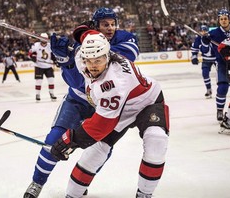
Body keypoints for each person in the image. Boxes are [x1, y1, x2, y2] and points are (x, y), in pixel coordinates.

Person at [24, 7, 139, 198]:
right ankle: (36, 183)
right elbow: (77, 81)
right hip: (77, 100)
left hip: (106, 104)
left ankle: (80, 182)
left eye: (113, 24)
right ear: (96, 25)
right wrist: (65, 60)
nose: (110, 28)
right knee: (53, 140)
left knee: (100, 151)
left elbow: (124, 58)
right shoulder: (79, 43)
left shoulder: (125, 39)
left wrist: (81, 49)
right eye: (105, 24)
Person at [50, 31, 170, 198]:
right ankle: (72, 195)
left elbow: (101, 125)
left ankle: (144, 194)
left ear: (108, 57)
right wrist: (79, 34)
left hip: (146, 102)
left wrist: (69, 140)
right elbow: (90, 35)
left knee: (156, 140)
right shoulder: (83, 56)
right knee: (95, 152)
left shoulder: (113, 82)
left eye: (98, 60)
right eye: (89, 60)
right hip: (119, 108)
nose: (92, 66)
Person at [200, 9, 230, 121]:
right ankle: (219, 111)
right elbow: (204, 50)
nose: (223, 21)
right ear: (219, 20)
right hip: (222, 63)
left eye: (225, 18)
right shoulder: (213, 33)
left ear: (229, 19)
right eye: (221, 19)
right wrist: (204, 41)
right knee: (223, 87)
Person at [28, 33, 57, 102]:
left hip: (48, 66)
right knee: (39, 81)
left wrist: (55, 60)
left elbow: (53, 54)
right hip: (39, 66)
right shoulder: (36, 45)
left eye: (45, 39)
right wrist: (33, 57)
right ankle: (37, 95)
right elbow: (30, 53)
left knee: (51, 80)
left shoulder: (50, 45)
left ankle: (51, 93)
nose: (44, 40)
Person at [191, 25, 216, 98]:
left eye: (205, 30)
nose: (203, 32)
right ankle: (209, 90)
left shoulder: (212, 37)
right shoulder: (198, 39)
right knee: (205, 74)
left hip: (216, 59)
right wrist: (194, 57)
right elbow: (195, 48)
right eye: (202, 31)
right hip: (206, 59)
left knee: (223, 75)